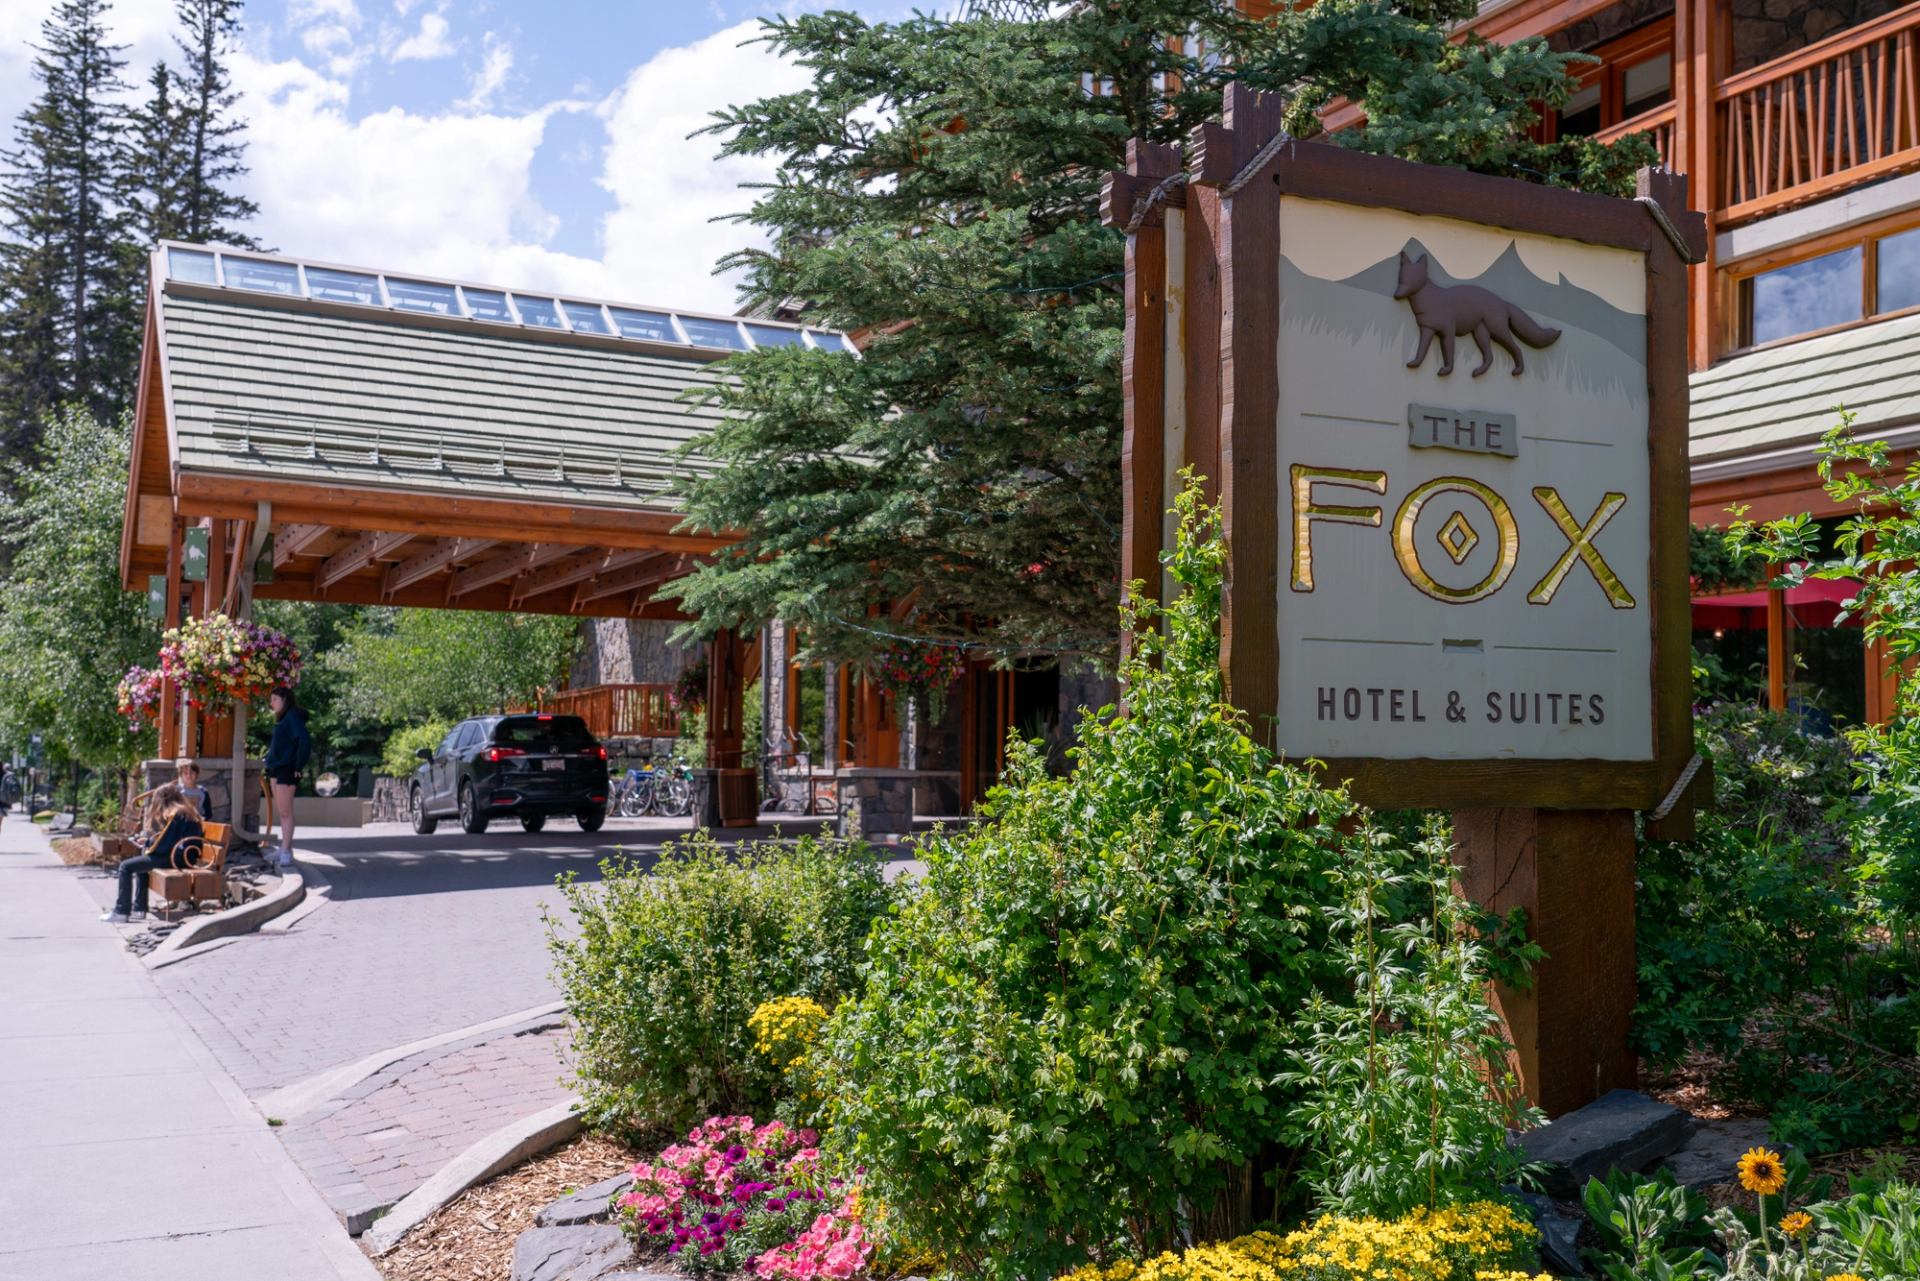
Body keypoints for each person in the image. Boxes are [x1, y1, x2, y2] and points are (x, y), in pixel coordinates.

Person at [101, 783, 204, 923]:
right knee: (141, 865)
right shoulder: (184, 811)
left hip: (178, 858)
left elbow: (165, 845)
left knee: (125, 866)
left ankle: (121, 911)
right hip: (183, 856)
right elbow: (169, 840)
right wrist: (149, 842)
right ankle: (139, 908)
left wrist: (149, 844)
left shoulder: (176, 814)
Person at [263, 686, 311, 867]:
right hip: (276, 768)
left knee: (285, 812)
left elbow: (304, 740)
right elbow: (281, 745)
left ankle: (285, 851)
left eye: (275, 699)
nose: (272, 703)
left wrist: (298, 765)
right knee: (282, 811)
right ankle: (285, 848)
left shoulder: (292, 717)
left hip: (287, 769)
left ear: (285, 700)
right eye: (272, 699)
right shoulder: (284, 719)